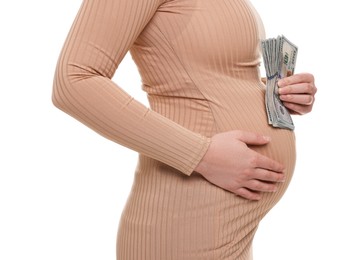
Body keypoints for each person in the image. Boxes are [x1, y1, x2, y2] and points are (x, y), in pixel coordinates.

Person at [52, 0, 317, 259]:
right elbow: (74, 81)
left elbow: (207, 76)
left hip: (225, 225)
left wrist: (274, 93)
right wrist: (200, 154)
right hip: (186, 218)